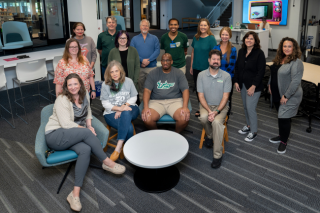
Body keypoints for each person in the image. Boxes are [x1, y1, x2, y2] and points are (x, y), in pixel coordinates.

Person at [45, 73, 125, 212]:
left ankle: (74, 194)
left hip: (72, 136)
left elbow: (88, 112)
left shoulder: (84, 95)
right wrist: (86, 131)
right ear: (66, 86)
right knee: (86, 134)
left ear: (80, 84)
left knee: (85, 150)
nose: (73, 87)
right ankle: (107, 162)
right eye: (69, 84)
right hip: (56, 135)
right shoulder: (62, 99)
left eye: (75, 84)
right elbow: (65, 123)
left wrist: (89, 126)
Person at [268, 37, 303, 154]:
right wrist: (269, 85)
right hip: (278, 93)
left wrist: (286, 96)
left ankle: (284, 141)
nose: (286, 48)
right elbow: (273, 73)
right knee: (281, 116)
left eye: (289, 46)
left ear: (294, 48)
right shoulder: (280, 58)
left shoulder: (296, 62)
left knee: (284, 118)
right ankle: (281, 135)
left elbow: (295, 82)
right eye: (284, 46)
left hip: (290, 96)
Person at [198, 50, 231, 168]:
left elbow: (225, 97)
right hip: (206, 105)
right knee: (203, 118)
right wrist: (209, 110)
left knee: (216, 122)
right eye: (214, 59)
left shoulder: (226, 76)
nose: (216, 61)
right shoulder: (201, 75)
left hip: (221, 106)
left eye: (218, 59)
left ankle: (217, 155)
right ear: (209, 60)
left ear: (220, 61)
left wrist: (216, 112)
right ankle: (211, 136)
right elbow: (200, 96)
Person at [101, 60, 139, 161]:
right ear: (109, 73)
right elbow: (105, 104)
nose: (114, 74)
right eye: (112, 72)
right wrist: (119, 108)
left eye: (116, 71)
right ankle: (131, 151)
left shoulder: (128, 81)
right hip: (111, 113)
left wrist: (122, 107)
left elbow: (134, 97)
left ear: (120, 71)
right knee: (129, 128)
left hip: (131, 107)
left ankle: (118, 147)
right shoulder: (106, 85)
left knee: (126, 111)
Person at [141, 53, 190, 133]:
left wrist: (185, 107)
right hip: (156, 102)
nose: (165, 62)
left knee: (184, 118)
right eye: (163, 60)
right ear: (161, 62)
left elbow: (185, 90)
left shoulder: (179, 73)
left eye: (168, 60)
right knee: (147, 118)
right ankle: (159, 136)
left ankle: (175, 137)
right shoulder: (153, 73)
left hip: (175, 101)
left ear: (171, 62)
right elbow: (147, 91)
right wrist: (145, 107)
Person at [233, 31, 265, 142]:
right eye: (247, 38)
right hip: (242, 84)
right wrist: (236, 81)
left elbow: (261, 72)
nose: (249, 40)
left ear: (255, 41)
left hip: (253, 86)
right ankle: (249, 126)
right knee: (246, 107)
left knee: (251, 108)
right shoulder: (241, 51)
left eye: (251, 39)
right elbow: (237, 67)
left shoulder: (259, 53)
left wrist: (253, 86)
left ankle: (254, 131)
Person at [189, 18, 217, 116]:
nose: (203, 27)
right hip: (196, 67)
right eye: (201, 25)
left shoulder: (211, 38)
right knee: (198, 90)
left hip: (207, 69)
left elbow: (214, 55)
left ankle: (209, 109)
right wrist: (191, 66)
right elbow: (193, 52)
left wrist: (213, 69)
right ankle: (201, 108)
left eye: (205, 25)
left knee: (207, 90)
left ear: (208, 26)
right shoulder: (195, 37)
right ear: (199, 26)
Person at [131, 19, 160, 101]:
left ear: (149, 27)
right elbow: (133, 52)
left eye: (146, 25)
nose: (145, 27)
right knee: (140, 87)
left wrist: (148, 60)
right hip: (139, 68)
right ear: (140, 27)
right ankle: (142, 103)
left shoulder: (154, 38)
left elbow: (157, 51)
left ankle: (152, 103)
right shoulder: (134, 39)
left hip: (152, 67)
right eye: (143, 25)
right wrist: (141, 60)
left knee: (152, 86)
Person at [213, 27, 237, 117]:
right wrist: (216, 75)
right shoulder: (215, 48)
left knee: (227, 97)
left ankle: (226, 115)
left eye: (226, 34)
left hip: (228, 77)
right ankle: (216, 112)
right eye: (223, 34)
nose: (224, 36)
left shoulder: (233, 49)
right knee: (216, 96)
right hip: (215, 76)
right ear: (220, 35)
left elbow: (232, 65)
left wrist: (222, 76)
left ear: (229, 36)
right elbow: (213, 63)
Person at [97, 16, 118, 80]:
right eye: (109, 22)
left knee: (119, 84)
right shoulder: (101, 35)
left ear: (116, 24)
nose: (111, 24)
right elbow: (99, 50)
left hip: (119, 65)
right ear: (106, 24)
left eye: (113, 22)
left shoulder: (120, 34)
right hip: (106, 65)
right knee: (106, 83)